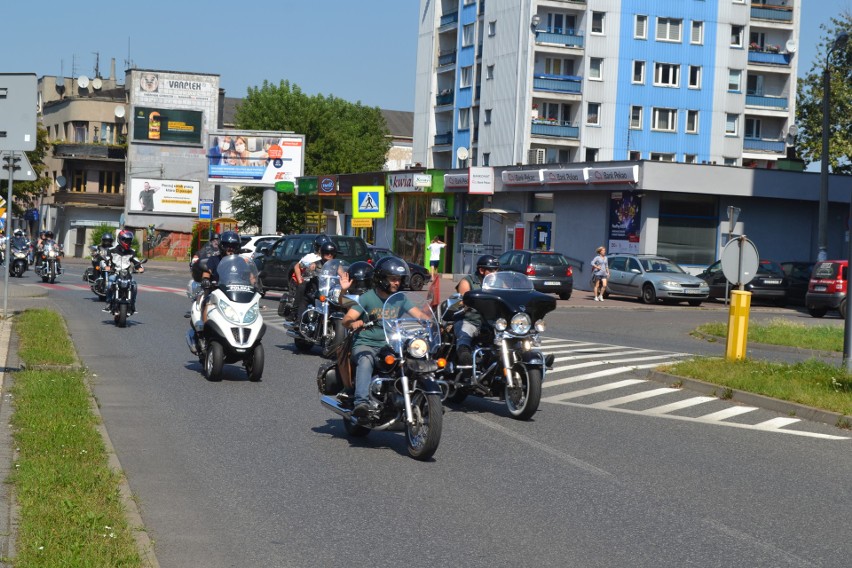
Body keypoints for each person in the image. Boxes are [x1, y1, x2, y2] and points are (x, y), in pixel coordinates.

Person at [342, 256, 429, 418]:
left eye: (399, 279)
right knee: (366, 359)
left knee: (414, 360)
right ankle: (361, 402)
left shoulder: (400, 298)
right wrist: (353, 323)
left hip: (392, 344)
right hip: (366, 343)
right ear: (382, 279)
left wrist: (432, 322)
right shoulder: (368, 297)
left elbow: (419, 315)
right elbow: (347, 319)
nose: (397, 282)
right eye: (393, 279)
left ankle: (424, 399)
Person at [454, 254, 500, 367]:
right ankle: (466, 360)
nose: (495, 272)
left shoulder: (499, 282)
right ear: (481, 270)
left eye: (497, 269)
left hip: (492, 322)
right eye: (492, 270)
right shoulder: (467, 281)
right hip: (471, 320)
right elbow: (464, 300)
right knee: (464, 335)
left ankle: (526, 358)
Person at [199, 231, 242, 323]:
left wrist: (256, 283)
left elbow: (249, 276)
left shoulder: (240, 262)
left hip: (236, 292)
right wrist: (206, 279)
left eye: (233, 246)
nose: (230, 249)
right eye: (227, 246)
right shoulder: (214, 259)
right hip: (217, 291)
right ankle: (204, 328)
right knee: (207, 303)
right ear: (222, 246)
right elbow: (207, 272)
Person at [104, 230, 145, 314]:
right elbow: (106, 260)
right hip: (115, 273)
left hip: (127, 275)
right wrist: (106, 266)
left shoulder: (132, 251)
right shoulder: (111, 250)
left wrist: (140, 267)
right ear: (120, 239)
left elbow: (136, 261)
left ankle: (132, 304)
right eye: (126, 240)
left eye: (129, 240)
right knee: (109, 285)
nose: (128, 242)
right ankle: (108, 303)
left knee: (134, 286)